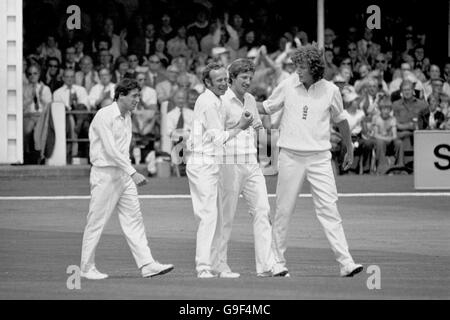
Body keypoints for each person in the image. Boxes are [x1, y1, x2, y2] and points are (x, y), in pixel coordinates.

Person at [256, 45, 363, 277]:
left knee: (329, 209)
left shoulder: (331, 90)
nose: (297, 71)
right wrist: (238, 102)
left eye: (302, 67)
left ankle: (346, 263)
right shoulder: (288, 84)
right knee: (283, 210)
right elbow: (266, 107)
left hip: (320, 158)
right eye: (296, 66)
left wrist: (349, 149)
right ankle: (277, 262)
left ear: (315, 68)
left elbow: (342, 120)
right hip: (290, 156)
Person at [80, 78, 174, 279]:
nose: (137, 100)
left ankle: (147, 264)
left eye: (138, 95)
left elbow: (122, 150)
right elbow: (110, 150)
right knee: (96, 221)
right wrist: (133, 171)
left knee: (134, 219)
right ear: (120, 95)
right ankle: (86, 268)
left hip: (123, 174)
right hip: (105, 174)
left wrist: (128, 172)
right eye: (134, 96)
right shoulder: (104, 115)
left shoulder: (128, 115)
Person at [185, 62, 253, 278]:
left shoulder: (217, 100)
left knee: (218, 215)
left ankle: (216, 265)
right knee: (208, 216)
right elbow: (218, 137)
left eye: (225, 79)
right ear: (207, 82)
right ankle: (203, 266)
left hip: (213, 162)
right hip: (202, 162)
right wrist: (241, 126)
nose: (224, 84)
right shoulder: (208, 103)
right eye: (219, 80)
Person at [215, 58, 276, 278]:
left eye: (250, 77)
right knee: (226, 217)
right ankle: (219, 265)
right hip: (228, 163)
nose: (248, 81)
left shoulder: (250, 98)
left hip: (251, 163)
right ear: (232, 78)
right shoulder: (221, 100)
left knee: (263, 210)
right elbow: (215, 134)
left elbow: (259, 130)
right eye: (244, 77)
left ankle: (266, 265)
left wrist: (276, 148)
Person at [372, 99, 404, 174]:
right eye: (384, 109)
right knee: (380, 142)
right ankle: (382, 166)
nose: (386, 111)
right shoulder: (377, 119)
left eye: (388, 109)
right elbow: (375, 134)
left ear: (390, 110)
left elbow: (394, 135)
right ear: (380, 110)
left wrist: (390, 138)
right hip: (380, 140)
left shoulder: (392, 119)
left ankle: (400, 165)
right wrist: (385, 138)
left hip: (390, 140)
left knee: (399, 143)